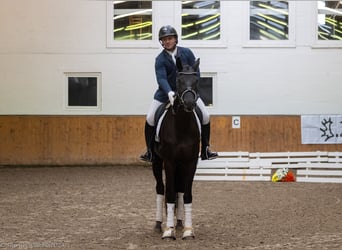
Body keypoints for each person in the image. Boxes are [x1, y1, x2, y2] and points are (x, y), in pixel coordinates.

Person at [140, 25, 218, 162]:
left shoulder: (187, 53)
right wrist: (169, 92)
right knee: (150, 118)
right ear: (161, 42)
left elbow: (196, 73)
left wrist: (191, 91)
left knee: (205, 115)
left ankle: (205, 149)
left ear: (175, 39)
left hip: (188, 94)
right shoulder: (160, 59)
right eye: (164, 40)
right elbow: (161, 78)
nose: (167, 41)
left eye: (170, 38)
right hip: (165, 94)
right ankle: (150, 151)